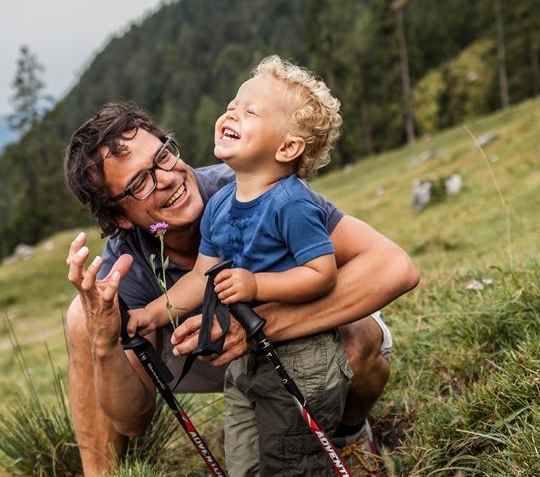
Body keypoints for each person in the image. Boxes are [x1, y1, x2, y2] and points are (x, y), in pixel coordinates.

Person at [62, 99, 419, 475]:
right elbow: (133, 421)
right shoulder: (126, 262)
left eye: (164, 155)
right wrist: (104, 343)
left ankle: (347, 436)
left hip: (291, 336)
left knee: (357, 336)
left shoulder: (251, 188)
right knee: (84, 318)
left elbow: (394, 267)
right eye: (140, 183)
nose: (167, 178)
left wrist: (253, 328)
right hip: (203, 353)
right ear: (118, 216)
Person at [124, 55, 351, 475]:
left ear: (287, 148)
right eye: (233, 104)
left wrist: (256, 285)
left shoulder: (292, 203)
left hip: (302, 357)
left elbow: (323, 273)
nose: (232, 112)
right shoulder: (221, 205)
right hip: (245, 360)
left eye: (250, 111)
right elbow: (199, 276)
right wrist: (153, 314)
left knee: (291, 464)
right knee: (244, 463)